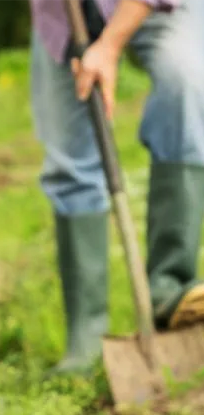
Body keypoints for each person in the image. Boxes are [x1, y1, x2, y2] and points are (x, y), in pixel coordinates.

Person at [29, 0, 204, 374]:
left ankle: (169, 289)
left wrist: (108, 46)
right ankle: (87, 338)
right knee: (69, 159)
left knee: (186, 85)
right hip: (64, 14)